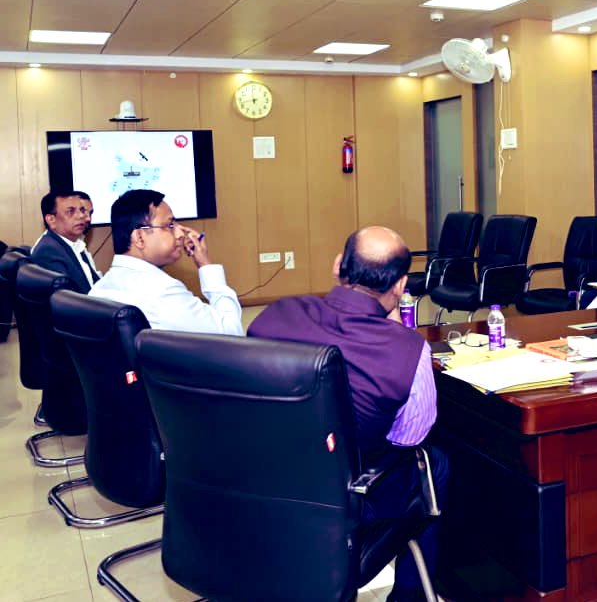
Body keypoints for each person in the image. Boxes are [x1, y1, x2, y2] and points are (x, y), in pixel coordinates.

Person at [249, 226, 443, 602]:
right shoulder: (409, 350)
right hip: (344, 505)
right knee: (434, 464)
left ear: (339, 266)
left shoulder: (273, 316)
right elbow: (409, 438)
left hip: (261, 487)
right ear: (401, 285)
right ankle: (410, 596)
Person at [90, 189, 243, 336]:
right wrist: (206, 265)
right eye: (169, 226)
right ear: (139, 238)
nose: (180, 233)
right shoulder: (162, 292)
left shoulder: (98, 290)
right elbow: (231, 332)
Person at [31, 190, 101, 293]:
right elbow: (66, 299)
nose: (81, 216)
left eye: (81, 210)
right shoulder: (49, 251)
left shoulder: (74, 243)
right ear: (51, 220)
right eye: (70, 211)